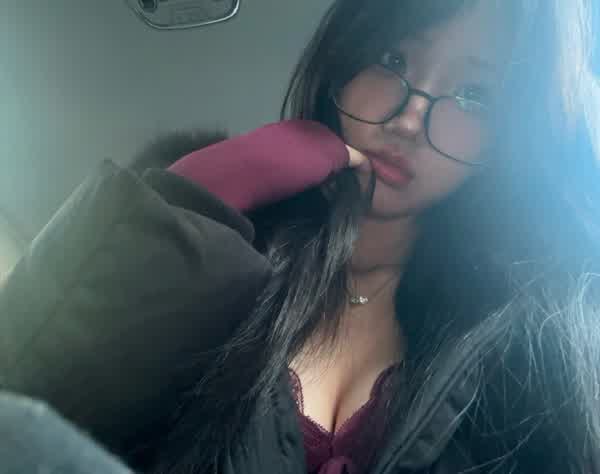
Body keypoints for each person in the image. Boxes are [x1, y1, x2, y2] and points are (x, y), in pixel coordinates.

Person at [1, 1, 599, 473]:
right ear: (344, 60)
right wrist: (191, 202)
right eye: (393, 59)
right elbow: (26, 398)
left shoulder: (532, 333)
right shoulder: (222, 248)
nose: (409, 119)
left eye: (475, 95)